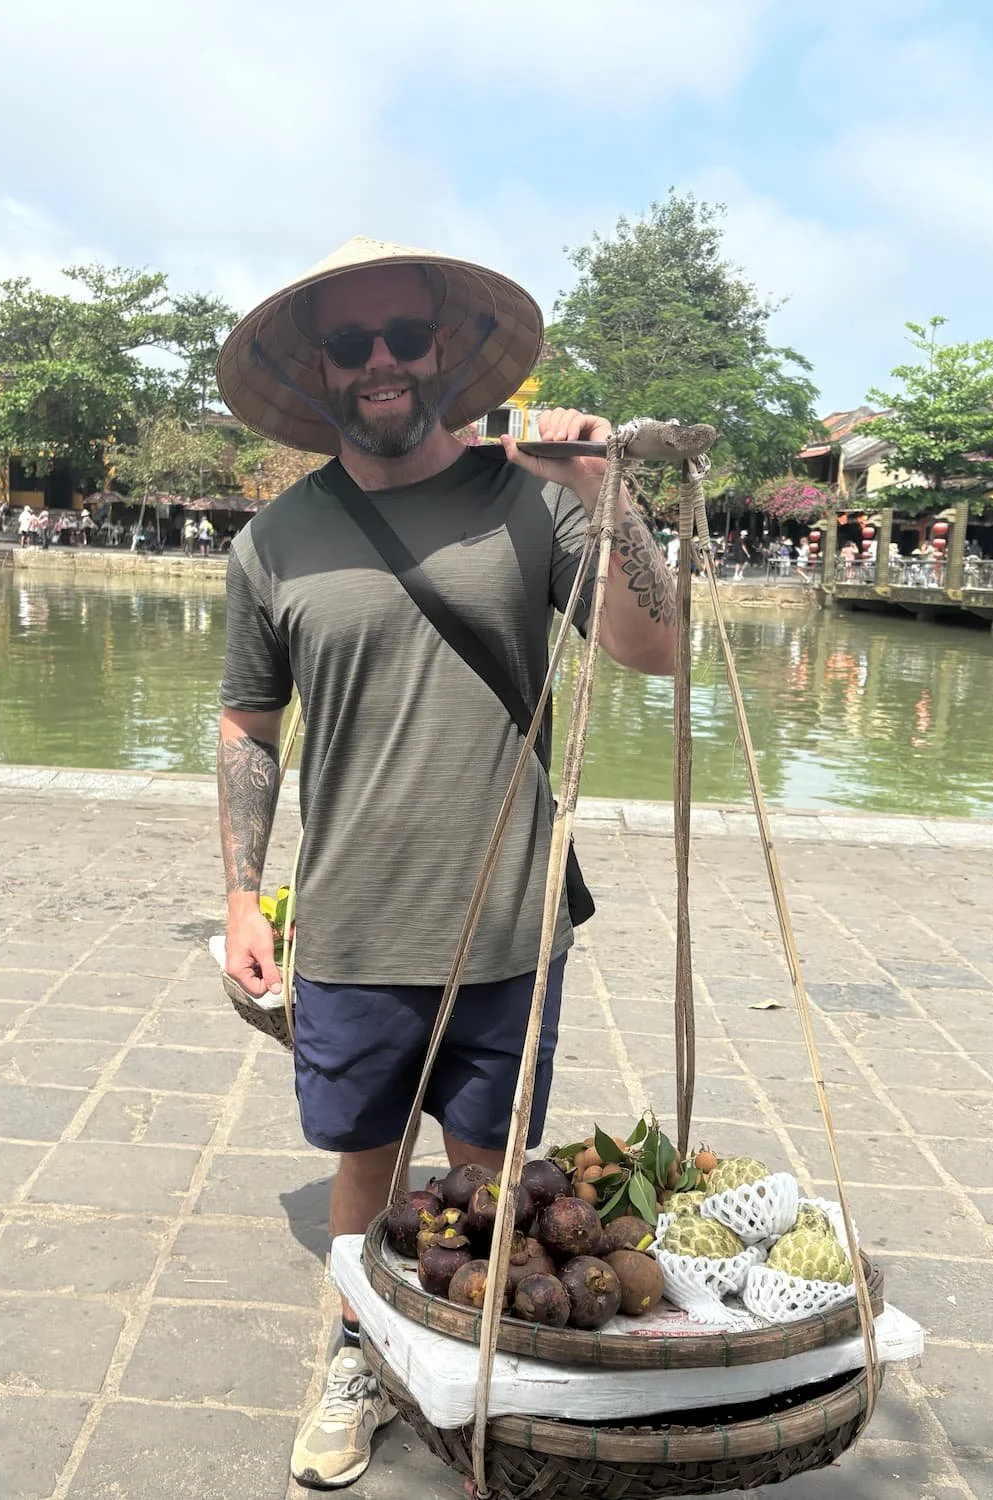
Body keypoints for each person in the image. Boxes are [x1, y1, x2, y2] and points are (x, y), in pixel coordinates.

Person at [214, 237, 677, 1491]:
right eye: (351, 344)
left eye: (401, 338)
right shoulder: (274, 543)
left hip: (508, 921)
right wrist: (241, 894)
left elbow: (656, 648)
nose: (379, 363)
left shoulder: (523, 503)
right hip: (354, 925)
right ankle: (359, 1355)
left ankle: (483, 1389)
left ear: (441, 354)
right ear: (319, 369)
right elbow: (248, 728)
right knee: (362, 1170)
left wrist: (601, 494)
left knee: (491, 1184)